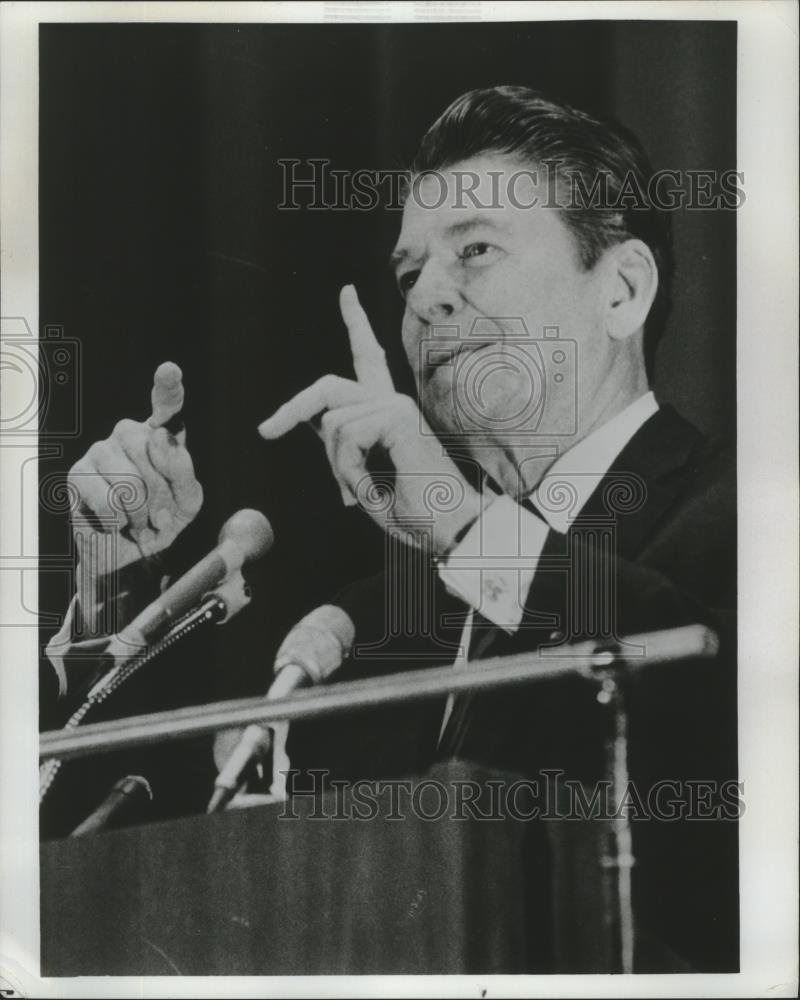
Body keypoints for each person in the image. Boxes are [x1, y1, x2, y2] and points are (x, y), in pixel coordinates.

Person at [47, 87, 737, 971]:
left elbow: (727, 732)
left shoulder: (745, 515)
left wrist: (460, 527)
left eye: (476, 251)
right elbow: (154, 856)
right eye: (410, 275)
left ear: (623, 289)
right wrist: (116, 587)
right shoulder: (370, 623)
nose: (427, 302)